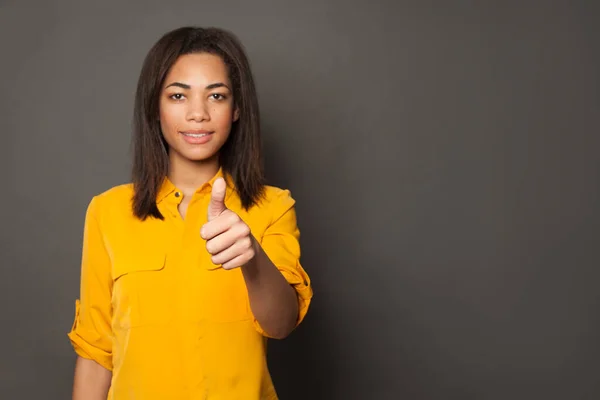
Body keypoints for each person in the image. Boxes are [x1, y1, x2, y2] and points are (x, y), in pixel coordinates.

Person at [67, 26, 312, 399]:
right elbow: (96, 350)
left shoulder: (273, 206)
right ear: (155, 106)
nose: (198, 113)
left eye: (216, 95)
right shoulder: (108, 211)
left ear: (237, 109)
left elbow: (281, 324)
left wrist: (252, 257)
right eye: (178, 95)